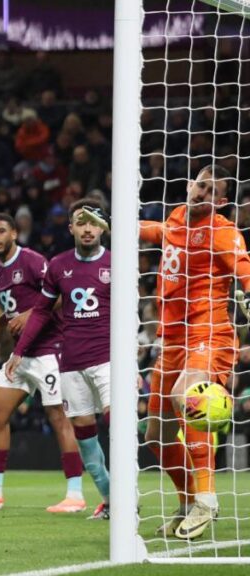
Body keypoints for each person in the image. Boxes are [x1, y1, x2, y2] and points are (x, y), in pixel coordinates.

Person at [140, 165, 248, 539]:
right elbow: (159, 232)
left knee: (186, 398)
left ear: (221, 201)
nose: (202, 193)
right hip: (171, 338)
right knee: (155, 435)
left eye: (211, 190)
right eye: (200, 185)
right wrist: (116, 225)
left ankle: (208, 499)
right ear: (189, 185)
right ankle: (188, 502)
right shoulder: (176, 218)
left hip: (209, 332)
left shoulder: (223, 232)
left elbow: (246, 273)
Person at [0, 212, 85, 514]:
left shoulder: (32, 260)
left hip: (51, 353)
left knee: (59, 419)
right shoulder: (0, 270)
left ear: (14, 233)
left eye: (1, 231)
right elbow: (13, 311)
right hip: (21, 356)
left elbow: (60, 294)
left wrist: (32, 314)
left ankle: (76, 494)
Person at [7, 199, 113, 519]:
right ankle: (111, 499)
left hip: (109, 360)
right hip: (70, 363)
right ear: (72, 229)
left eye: (93, 222)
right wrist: (19, 351)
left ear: (103, 227)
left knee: (116, 424)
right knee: (83, 433)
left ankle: (128, 495)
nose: (88, 228)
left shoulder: (118, 263)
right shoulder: (58, 266)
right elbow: (40, 312)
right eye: (81, 223)